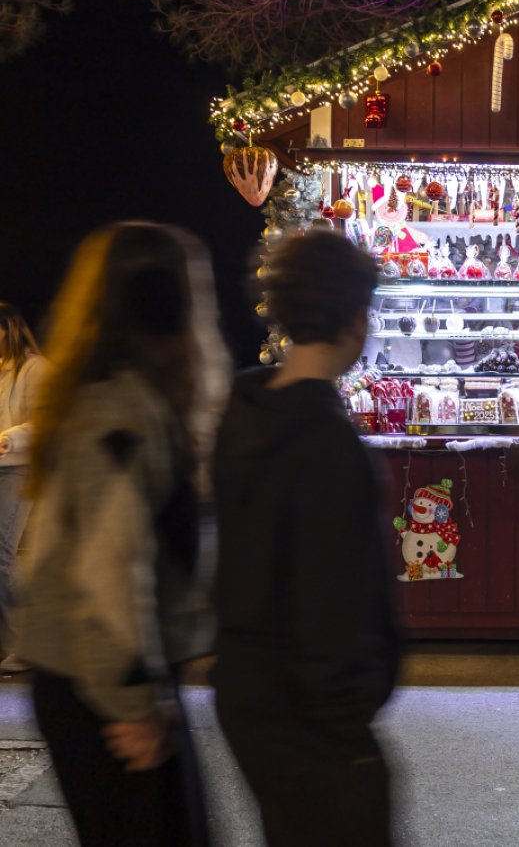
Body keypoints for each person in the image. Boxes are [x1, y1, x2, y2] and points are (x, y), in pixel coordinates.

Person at [17, 223, 230, 847]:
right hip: (102, 681)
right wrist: (133, 701)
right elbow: (109, 569)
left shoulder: (97, 398)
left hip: (93, 672)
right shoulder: (125, 412)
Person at [211, 230, 399, 847]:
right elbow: (331, 602)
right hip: (312, 715)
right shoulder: (330, 446)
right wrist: (351, 726)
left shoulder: (245, 409)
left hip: (247, 690)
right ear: (354, 318)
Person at [0, 303, 47, 674]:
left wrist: (9, 440)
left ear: (8, 328)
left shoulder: (35, 368)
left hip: (17, 471)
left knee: (3, 552)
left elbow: (46, 421)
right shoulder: (1, 370)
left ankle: (24, 644)